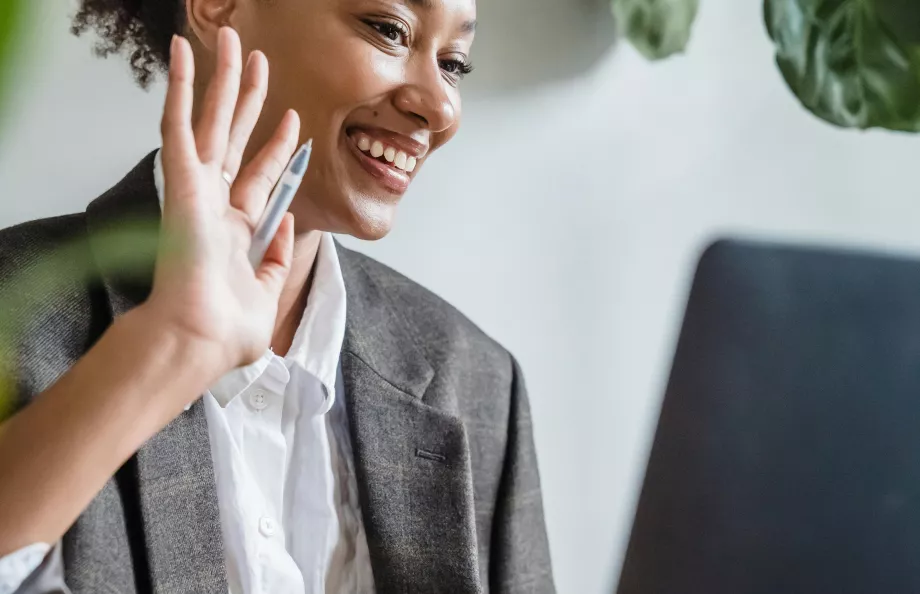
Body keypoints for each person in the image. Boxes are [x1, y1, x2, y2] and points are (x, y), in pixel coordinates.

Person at [0, 0, 554, 593]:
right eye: (390, 30)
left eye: (453, 64)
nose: (441, 106)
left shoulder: (478, 383)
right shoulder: (17, 309)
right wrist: (165, 352)